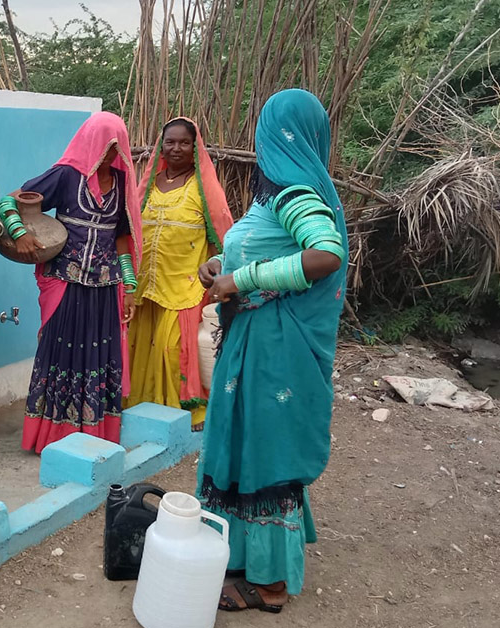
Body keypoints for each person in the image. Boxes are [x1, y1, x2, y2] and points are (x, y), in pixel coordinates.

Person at [195, 89, 348, 612]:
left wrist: (243, 278)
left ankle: (271, 583)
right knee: (244, 443)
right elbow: (257, 248)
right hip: (252, 340)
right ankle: (244, 560)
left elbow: (325, 255)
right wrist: (218, 265)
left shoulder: (296, 194)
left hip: (275, 347)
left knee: (266, 447)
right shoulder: (271, 195)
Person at [0, 111, 143, 453]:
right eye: (106, 144)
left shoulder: (123, 184)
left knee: (99, 359)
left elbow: (122, 237)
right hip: (64, 284)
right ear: (91, 141)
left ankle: (94, 437)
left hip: (105, 291)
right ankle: (53, 438)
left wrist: (130, 287)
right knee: (59, 357)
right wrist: (18, 232)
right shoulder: (64, 176)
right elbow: (10, 200)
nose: (111, 153)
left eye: (116, 146)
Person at [126, 118, 233, 430]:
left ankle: (186, 411)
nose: (176, 148)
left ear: (194, 147)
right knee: (141, 345)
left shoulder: (204, 190)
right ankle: (144, 409)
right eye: (169, 142)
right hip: (146, 281)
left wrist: (220, 278)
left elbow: (222, 236)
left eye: (183, 143)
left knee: (173, 348)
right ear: (161, 146)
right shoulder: (149, 185)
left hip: (184, 284)